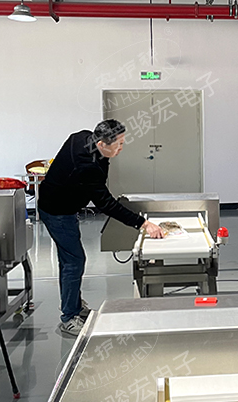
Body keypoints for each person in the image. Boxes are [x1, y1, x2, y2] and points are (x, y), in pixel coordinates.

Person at [38, 119, 164, 337]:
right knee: (74, 261)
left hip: (63, 205)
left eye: (123, 142)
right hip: (57, 212)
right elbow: (106, 204)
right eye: (119, 144)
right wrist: (142, 223)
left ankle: (73, 304)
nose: (121, 148)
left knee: (69, 260)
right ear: (102, 143)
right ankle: (69, 317)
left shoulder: (82, 136)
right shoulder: (87, 165)